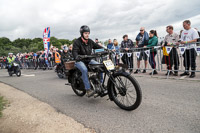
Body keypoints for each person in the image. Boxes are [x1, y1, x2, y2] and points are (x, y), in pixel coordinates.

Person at [72, 25, 103, 97]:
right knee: (84, 69)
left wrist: (106, 50)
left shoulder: (90, 41)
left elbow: (98, 47)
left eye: (88, 33)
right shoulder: (77, 42)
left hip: (88, 60)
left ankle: (100, 84)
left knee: (100, 66)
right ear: (82, 33)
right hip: (80, 61)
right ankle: (88, 89)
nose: (87, 35)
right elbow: (74, 51)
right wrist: (76, 56)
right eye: (85, 33)